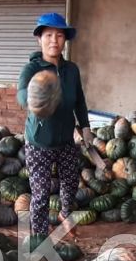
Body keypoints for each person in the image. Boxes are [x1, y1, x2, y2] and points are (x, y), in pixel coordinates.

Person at [16, 12, 92, 240]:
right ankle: (39, 236)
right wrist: (33, 97)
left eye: (59, 35)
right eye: (48, 35)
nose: (54, 40)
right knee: (40, 193)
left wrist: (85, 127)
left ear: (64, 40)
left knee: (70, 183)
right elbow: (20, 95)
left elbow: (79, 100)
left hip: (66, 140)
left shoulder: (72, 70)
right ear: (39, 39)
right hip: (39, 142)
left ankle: (65, 216)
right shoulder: (31, 70)